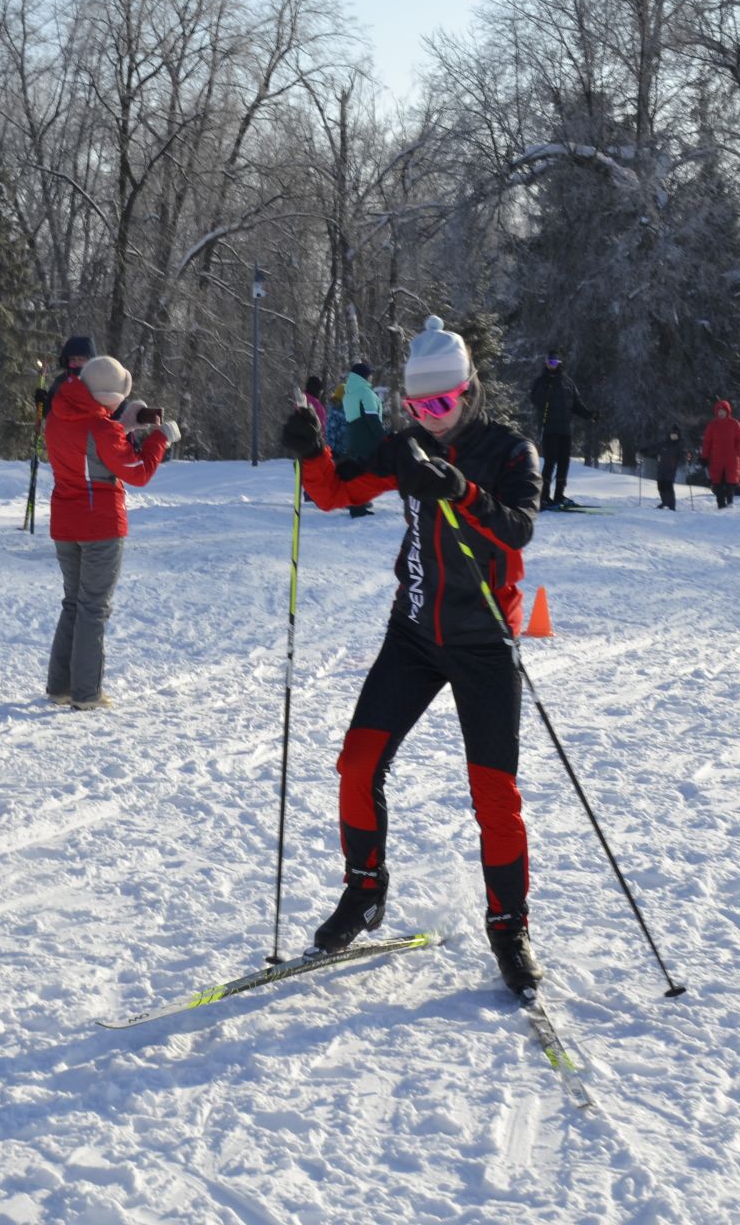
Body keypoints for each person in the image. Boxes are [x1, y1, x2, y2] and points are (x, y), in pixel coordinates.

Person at [278, 315, 546, 996]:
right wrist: (311, 451)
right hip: (415, 636)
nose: (429, 419)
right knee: (357, 761)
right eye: (417, 407)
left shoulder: (511, 453)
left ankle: (509, 929)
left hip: (483, 643)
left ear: (470, 393)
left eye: (442, 405)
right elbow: (333, 492)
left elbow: (518, 530)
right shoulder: (404, 450)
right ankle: (364, 892)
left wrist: (459, 490)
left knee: (495, 794)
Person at [44, 355, 177, 710]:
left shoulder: (58, 417)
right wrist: (160, 438)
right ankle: (87, 693)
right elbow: (137, 472)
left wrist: (124, 426)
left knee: (73, 602)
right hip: (100, 524)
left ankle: (60, 686)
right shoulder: (103, 430)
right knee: (93, 607)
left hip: (65, 522)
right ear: (111, 397)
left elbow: (95, 451)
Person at [527, 349, 597, 510]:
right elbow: (535, 400)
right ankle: (544, 497)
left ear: (560, 363)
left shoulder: (568, 382)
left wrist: (589, 415)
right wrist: (546, 386)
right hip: (549, 428)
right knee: (550, 463)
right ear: (546, 363)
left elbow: (576, 404)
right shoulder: (541, 381)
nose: (553, 365)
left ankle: (559, 495)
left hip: (565, 429)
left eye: (556, 363)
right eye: (550, 362)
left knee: (564, 463)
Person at [339, 362, 386, 517]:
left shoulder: (348, 393)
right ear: (364, 376)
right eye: (369, 374)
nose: (371, 376)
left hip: (353, 436)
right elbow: (372, 419)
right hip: (367, 438)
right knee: (365, 473)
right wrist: (384, 438)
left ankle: (356, 504)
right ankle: (358, 507)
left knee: (355, 472)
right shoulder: (365, 393)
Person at [700, 399, 740, 508]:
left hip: (731, 458)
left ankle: (730, 501)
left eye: (723, 410)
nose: (721, 413)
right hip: (716, 458)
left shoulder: (734, 423)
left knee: (730, 482)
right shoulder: (712, 425)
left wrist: (737, 452)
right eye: (719, 411)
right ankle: (720, 503)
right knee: (717, 482)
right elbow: (707, 442)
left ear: (727, 411)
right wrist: (705, 457)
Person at [642, 424, 686, 510]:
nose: (673, 437)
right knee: (661, 486)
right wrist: (645, 451)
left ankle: (671, 504)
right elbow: (653, 448)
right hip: (661, 468)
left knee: (668, 486)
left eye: (675, 435)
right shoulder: (663, 444)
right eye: (672, 435)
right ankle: (664, 502)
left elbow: (682, 457)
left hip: (671, 469)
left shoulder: (679, 446)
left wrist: (686, 458)